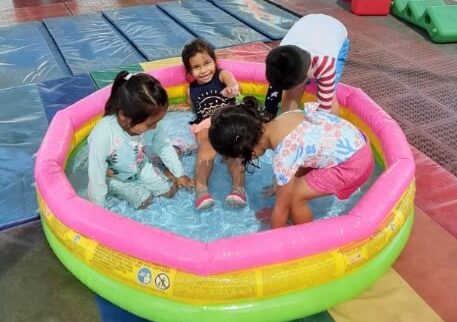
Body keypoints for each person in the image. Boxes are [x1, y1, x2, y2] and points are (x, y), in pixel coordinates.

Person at [208, 97, 374, 229]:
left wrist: (276, 235)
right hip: (358, 145)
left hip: (352, 167)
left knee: (294, 197)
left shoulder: (283, 154)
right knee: (289, 189)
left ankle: (304, 239)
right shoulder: (284, 118)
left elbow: (282, 207)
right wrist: (282, 188)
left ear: (247, 149)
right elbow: (304, 152)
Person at [87, 71, 194, 209]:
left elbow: (163, 146)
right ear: (124, 116)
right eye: (150, 124)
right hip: (113, 177)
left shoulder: (149, 122)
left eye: (158, 121)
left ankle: (164, 175)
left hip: (140, 165)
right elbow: (96, 180)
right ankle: (118, 190)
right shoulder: (104, 133)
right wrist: (97, 213)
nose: (155, 127)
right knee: (144, 201)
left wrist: (179, 174)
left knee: (168, 193)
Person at [182, 38, 246, 210]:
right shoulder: (191, 90)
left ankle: (238, 188)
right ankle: (201, 189)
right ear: (189, 70)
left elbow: (233, 84)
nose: (203, 70)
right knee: (205, 146)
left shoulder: (222, 75)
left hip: (228, 119)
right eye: (196, 67)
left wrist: (232, 88)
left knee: (235, 149)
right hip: (205, 124)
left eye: (207, 63)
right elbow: (191, 108)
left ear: (215, 61)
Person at [264, 13, 349, 118]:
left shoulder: (325, 65)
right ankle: (289, 122)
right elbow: (273, 94)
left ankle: (335, 127)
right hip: (308, 24)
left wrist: (321, 128)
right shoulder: (281, 56)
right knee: (292, 92)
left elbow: (325, 110)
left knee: (329, 97)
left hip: (335, 30)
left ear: (308, 76)